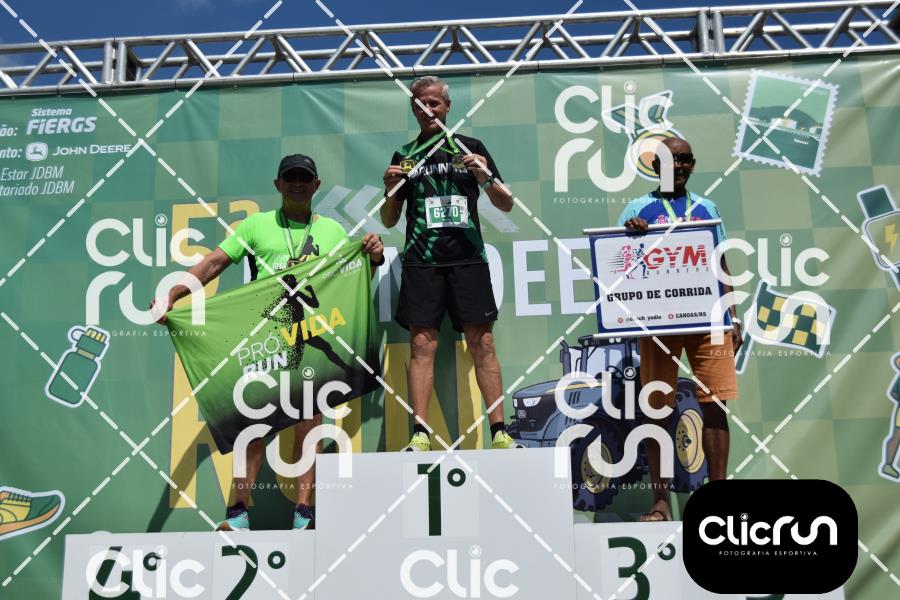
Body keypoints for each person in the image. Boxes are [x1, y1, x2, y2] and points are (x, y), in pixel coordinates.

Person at [155, 153, 384, 531]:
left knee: (310, 422)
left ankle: (304, 511)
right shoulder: (256, 225)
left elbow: (352, 278)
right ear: (278, 184)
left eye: (304, 178)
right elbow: (213, 264)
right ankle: (238, 511)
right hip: (264, 341)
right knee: (252, 425)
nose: (297, 184)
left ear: (316, 185)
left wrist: (372, 259)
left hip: (309, 334)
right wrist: (173, 294)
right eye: (290, 178)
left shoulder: (332, 231)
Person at [380, 75, 519, 451]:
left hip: (468, 259)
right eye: (420, 104)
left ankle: (500, 431)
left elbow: (506, 203)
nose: (428, 109)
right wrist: (390, 191)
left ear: (447, 106)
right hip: (422, 262)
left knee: (483, 342)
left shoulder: (471, 148)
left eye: (434, 103)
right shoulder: (405, 154)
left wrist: (485, 177)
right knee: (422, 344)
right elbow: (389, 219)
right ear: (413, 108)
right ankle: (420, 434)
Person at [618, 136, 741, 521]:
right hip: (658, 321)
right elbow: (619, 265)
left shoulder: (706, 207)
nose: (680, 165)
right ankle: (661, 502)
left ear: (693, 164)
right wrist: (631, 237)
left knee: (715, 405)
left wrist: (733, 314)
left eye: (686, 159)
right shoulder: (637, 209)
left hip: (709, 318)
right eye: (672, 159)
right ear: (656, 166)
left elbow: (721, 263)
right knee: (657, 409)